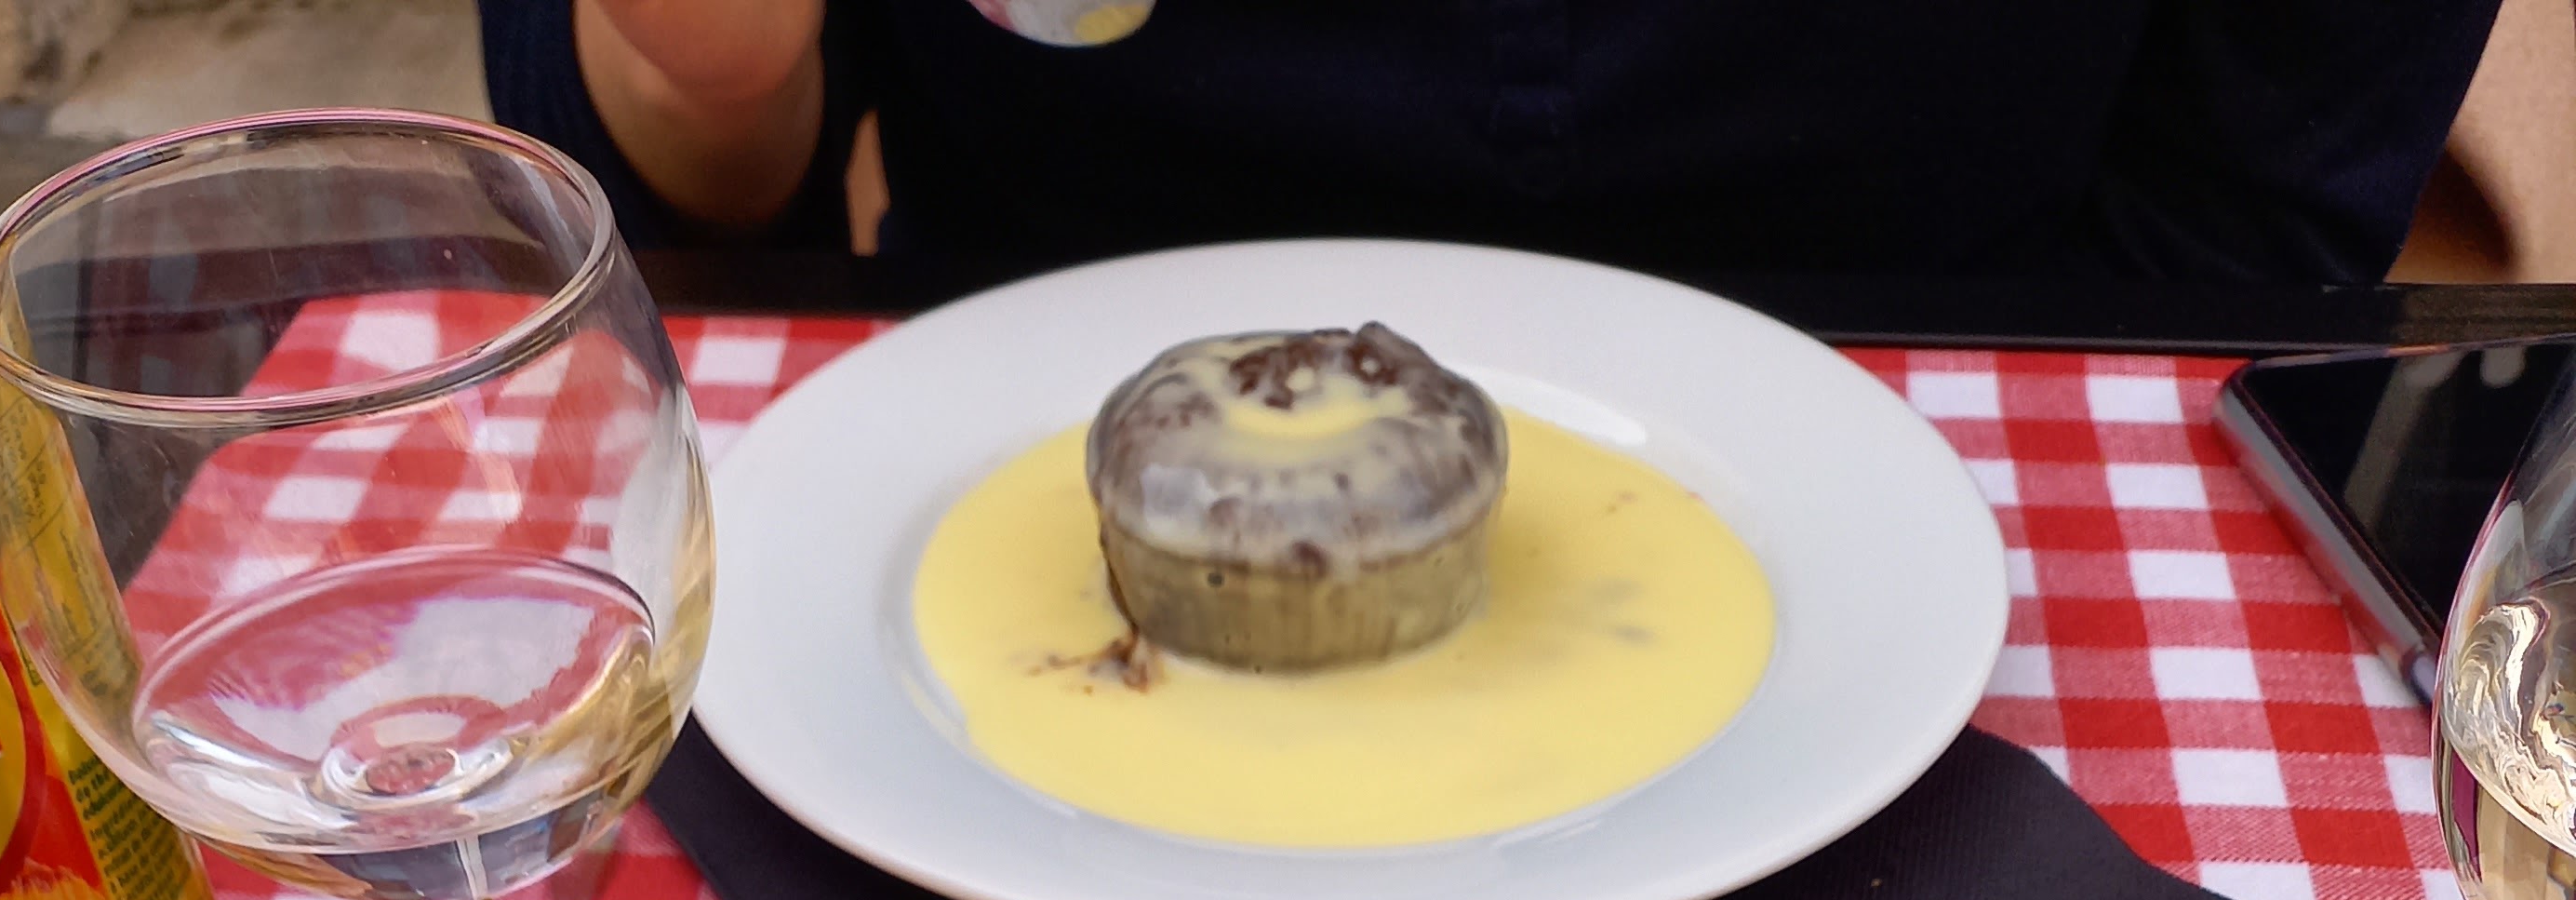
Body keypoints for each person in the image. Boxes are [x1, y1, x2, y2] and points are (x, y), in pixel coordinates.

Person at [484, 0, 2504, 294]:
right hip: (1009, 505)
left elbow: (2253, 220)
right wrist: (707, 80)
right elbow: (679, 220)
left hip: (1981, 496)